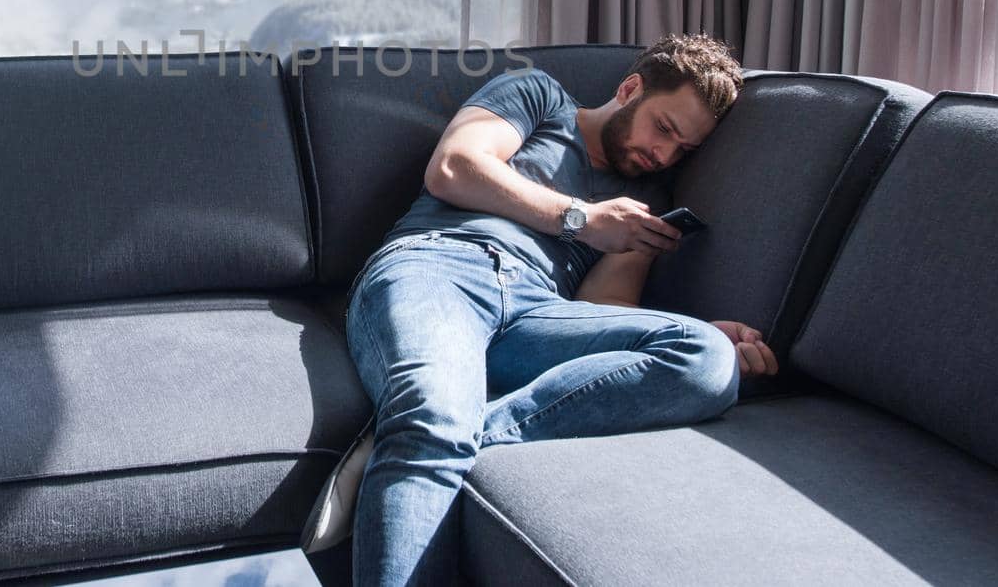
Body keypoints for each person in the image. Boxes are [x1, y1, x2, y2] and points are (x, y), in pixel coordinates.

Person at [302, 33, 778, 586]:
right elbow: (453, 166)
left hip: (538, 315)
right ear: (630, 90)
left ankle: (426, 435)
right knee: (434, 415)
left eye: (683, 150)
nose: (664, 154)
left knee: (706, 356)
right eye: (664, 128)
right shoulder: (538, 96)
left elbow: (600, 308)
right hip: (440, 269)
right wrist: (583, 218)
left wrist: (684, 329)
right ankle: (428, 428)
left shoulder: (642, 202)